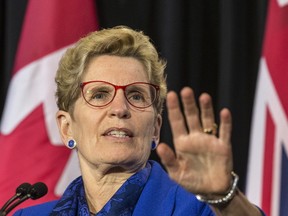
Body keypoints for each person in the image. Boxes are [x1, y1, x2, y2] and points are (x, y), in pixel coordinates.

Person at [13, 26, 265, 216]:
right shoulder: (28, 214)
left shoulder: (200, 208)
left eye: (136, 95)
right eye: (100, 94)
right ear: (67, 127)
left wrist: (225, 198)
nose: (120, 108)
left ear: (155, 128)